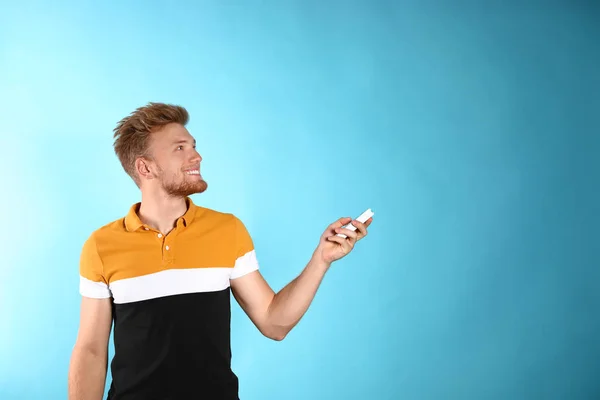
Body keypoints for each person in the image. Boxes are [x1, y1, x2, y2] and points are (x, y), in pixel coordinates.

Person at [67, 102, 373, 400]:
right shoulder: (101, 245)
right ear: (145, 167)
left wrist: (321, 259)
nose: (196, 156)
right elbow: (91, 350)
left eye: (193, 146)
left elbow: (274, 323)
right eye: (180, 148)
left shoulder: (227, 231)